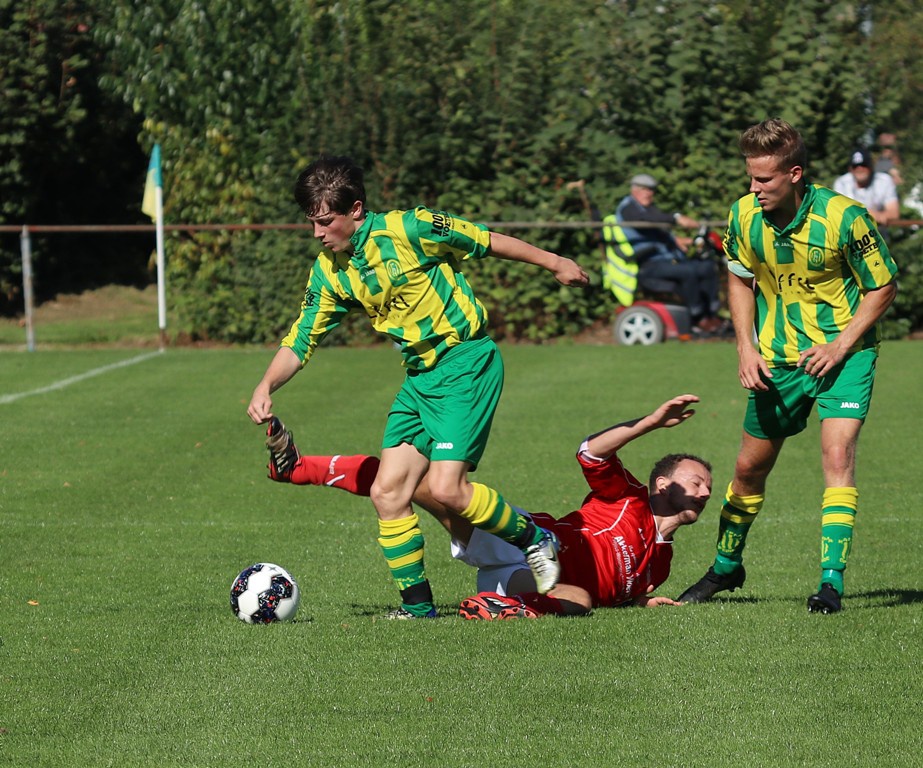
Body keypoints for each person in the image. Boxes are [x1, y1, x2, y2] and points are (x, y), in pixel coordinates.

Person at [248, 154, 589, 620]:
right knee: (388, 492)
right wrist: (266, 384)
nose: (317, 233)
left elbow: (485, 240)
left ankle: (536, 539)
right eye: (311, 223)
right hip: (419, 379)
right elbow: (302, 336)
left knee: (448, 489)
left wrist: (555, 262)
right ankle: (419, 609)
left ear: (356, 209)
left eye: (325, 221)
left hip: (465, 362)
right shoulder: (329, 270)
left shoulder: (412, 228)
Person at [678, 118, 899, 614]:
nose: (754, 188)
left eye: (764, 179)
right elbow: (739, 278)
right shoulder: (743, 215)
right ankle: (725, 568)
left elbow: (883, 286)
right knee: (748, 468)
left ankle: (830, 584)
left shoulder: (844, 217)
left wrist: (839, 346)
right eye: (750, 178)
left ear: (794, 174)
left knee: (837, 456)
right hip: (778, 360)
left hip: (846, 355)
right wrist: (745, 347)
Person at [263, 394, 713, 618]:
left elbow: (622, 589)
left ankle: (497, 606)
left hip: (529, 584)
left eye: (708, 487)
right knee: (412, 484)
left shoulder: (662, 565)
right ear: (662, 484)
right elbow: (589, 451)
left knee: (580, 601)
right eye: (696, 481)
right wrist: (649, 423)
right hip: (521, 541)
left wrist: (644, 601)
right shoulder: (627, 497)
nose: (706, 491)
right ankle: (300, 468)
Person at [616, 173, 724, 333]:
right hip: (649, 264)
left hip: (668, 260)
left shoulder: (648, 209)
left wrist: (678, 240)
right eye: (645, 189)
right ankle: (698, 317)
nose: (649, 193)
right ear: (634, 190)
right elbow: (646, 220)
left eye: (652, 190)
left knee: (706, 266)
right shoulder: (628, 208)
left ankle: (712, 313)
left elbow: (658, 228)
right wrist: (676, 218)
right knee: (688, 271)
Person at [832, 148, 900, 232]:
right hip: (850, 234)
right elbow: (838, 214)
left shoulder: (884, 180)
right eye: (855, 166)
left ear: (871, 166)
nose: (860, 169)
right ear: (850, 169)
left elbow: (894, 214)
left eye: (864, 165)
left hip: (877, 234)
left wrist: (857, 214)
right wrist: (870, 215)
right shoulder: (842, 183)